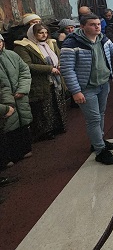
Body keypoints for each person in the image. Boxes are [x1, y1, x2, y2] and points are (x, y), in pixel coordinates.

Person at [60, 14, 113, 165]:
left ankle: (98, 141)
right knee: (93, 119)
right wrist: (76, 91)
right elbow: (67, 69)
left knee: (101, 114)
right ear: (82, 26)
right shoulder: (72, 43)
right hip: (86, 88)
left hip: (103, 83)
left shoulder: (103, 39)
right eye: (92, 24)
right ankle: (100, 151)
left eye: (98, 24)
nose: (97, 27)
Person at [14, 24, 66, 141]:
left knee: (56, 103)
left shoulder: (50, 43)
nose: (44, 35)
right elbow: (27, 65)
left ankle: (58, 126)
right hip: (39, 82)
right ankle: (45, 132)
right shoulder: (23, 47)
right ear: (33, 34)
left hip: (55, 80)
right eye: (40, 33)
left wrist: (59, 64)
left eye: (46, 32)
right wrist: (49, 69)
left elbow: (59, 55)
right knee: (43, 109)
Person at [0, 33, 33, 166]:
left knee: (23, 121)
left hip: (20, 96)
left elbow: (24, 71)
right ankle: (10, 156)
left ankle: (24, 150)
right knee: (8, 126)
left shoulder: (12, 55)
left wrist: (22, 89)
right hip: (4, 100)